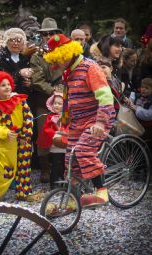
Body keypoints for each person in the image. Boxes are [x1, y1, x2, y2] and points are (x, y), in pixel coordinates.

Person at [43, 34, 116, 208]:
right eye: (56, 60)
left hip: (96, 118)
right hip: (78, 121)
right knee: (70, 158)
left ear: (69, 53)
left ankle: (101, 191)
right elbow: (69, 102)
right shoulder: (69, 72)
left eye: (61, 58)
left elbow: (106, 97)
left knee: (83, 150)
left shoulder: (90, 67)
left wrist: (100, 123)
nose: (59, 63)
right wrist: (64, 125)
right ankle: (74, 197)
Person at [0, 71, 42, 202]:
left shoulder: (20, 101)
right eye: (2, 85)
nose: (7, 87)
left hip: (23, 140)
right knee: (4, 169)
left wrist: (25, 136)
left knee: (24, 167)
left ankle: (24, 193)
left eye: (8, 84)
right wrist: (5, 132)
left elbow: (29, 118)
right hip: (6, 143)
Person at [30, 17, 63, 183]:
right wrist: (54, 91)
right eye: (45, 34)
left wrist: (62, 91)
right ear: (41, 36)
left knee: (63, 132)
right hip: (44, 99)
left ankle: (61, 167)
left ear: (58, 35)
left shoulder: (65, 52)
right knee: (44, 133)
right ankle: (44, 168)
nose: (49, 36)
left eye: (52, 33)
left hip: (64, 100)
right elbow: (37, 80)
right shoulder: (36, 56)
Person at [36, 92, 68, 190]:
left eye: (59, 104)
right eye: (55, 103)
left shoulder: (67, 117)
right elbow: (47, 129)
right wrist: (54, 134)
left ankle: (64, 182)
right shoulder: (50, 117)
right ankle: (53, 185)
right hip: (55, 144)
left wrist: (65, 134)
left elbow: (69, 127)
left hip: (65, 144)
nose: (56, 105)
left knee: (65, 165)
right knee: (55, 164)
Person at [0, 28, 33, 97]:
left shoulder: (25, 57)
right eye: (12, 40)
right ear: (6, 42)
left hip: (24, 97)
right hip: (6, 97)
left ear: (23, 43)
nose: (15, 43)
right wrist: (19, 73)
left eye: (19, 41)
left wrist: (30, 83)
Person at [127, 78, 152, 142]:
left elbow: (149, 115)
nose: (143, 89)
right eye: (142, 87)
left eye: (146, 88)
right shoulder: (137, 96)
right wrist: (129, 103)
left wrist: (136, 109)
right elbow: (131, 102)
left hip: (147, 126)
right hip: (135, 124)